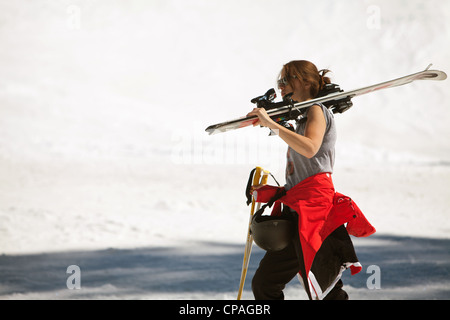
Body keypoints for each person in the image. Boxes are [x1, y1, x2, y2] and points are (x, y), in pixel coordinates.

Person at [246, 60, 374, 300]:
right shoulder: (302, 119)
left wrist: (272, 124)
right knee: (265, 284)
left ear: (305, 82)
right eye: (279, 81)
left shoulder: (317, 109)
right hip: (297, 210)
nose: (281, 86)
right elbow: (303, 163)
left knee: (325, 290)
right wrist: (275, 192)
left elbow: (310, 148)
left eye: (287, 80)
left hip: (316, 211)